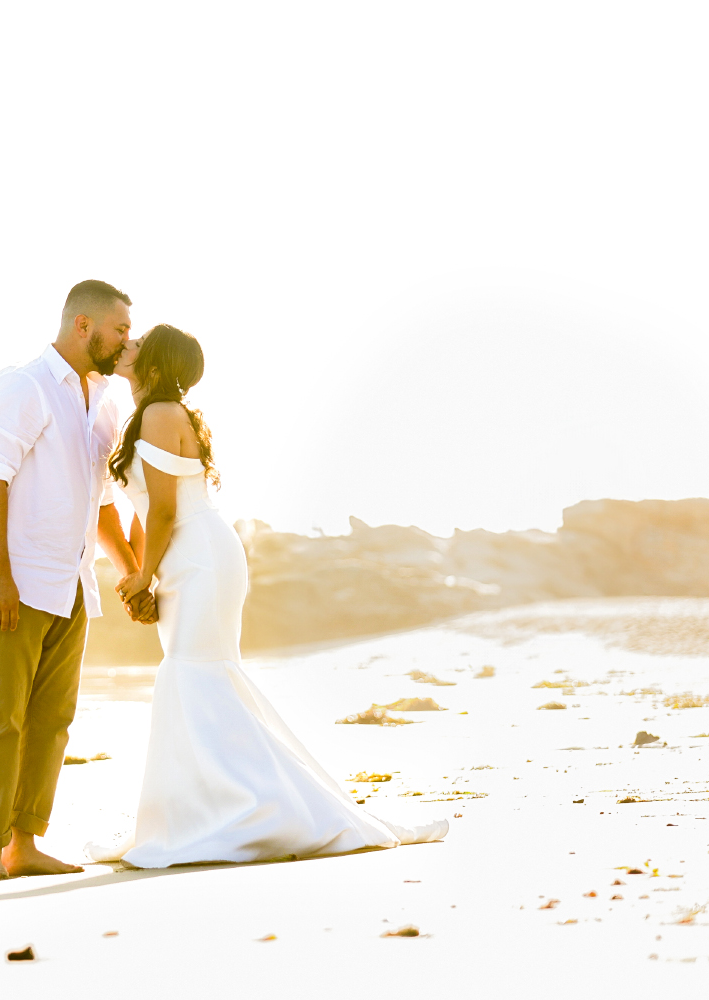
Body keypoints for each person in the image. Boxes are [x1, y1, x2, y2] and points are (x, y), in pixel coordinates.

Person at [92, 324, 448, 867]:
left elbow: (164, 510)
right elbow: (148, 512)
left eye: (140, 343)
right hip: (184, 555)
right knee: (193, 673)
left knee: (195, 670)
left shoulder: (163, 413)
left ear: (159, 366)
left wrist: (144, 577)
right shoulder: (146, 416)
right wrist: (145, 572)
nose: (129, 346)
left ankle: (254, 809)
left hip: (199, 555)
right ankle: (204, 811)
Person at [0, 279, 158, 881]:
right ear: (83, 327)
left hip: (71, 581)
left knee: (51, 720)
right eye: (120, 330)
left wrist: (130, 576)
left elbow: (100, 505)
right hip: (12, 577)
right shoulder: (23, 385)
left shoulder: (106, 402)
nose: (128, 341)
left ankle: (25, 843)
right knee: (1, 715)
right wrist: (0, 577)